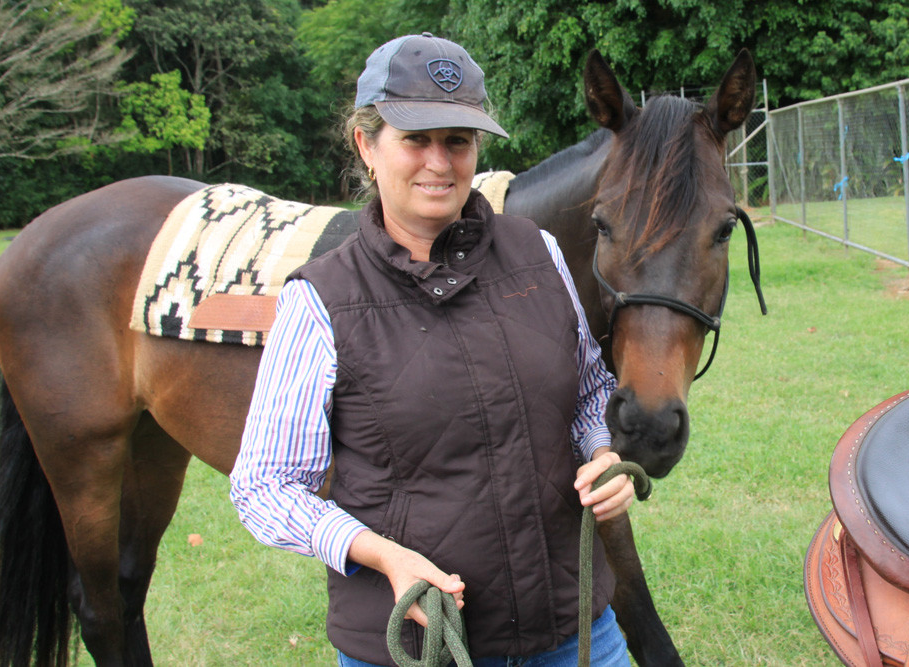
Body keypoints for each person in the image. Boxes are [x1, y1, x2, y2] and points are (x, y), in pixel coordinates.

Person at [229, 32, 634, 667]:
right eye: (416, 139)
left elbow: (588, 392)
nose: (440, 164)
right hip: (421, 643)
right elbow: (264, 486)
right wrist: (380, 554)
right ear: (365, 144)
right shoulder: (321, 300)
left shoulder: (538, 251)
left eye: (458, 141)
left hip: (574, 628)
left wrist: (602, 451)